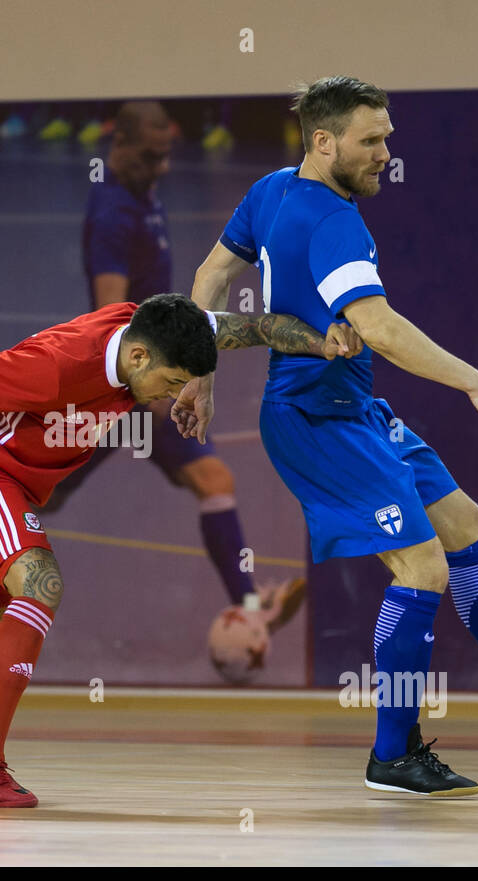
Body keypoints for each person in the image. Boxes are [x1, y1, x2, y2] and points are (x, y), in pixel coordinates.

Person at [183, 76, 478, 796]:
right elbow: (380, 328)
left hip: (355, 411)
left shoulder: (270, 191)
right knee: (422, 569)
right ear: (323, 142)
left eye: (387, 135)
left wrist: (201, 372)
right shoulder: (335, 222)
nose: (387, 151)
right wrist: (477, 382)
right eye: (371, 139)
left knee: (468, 526)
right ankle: (395, 752)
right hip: (314, 419)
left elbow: (211, 274)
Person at [0, 293, 360, 806]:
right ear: (139, 354)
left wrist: (323, 341)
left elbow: (257, 326)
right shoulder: (56, 366)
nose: (171, 397)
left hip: (18, 479)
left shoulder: (159, 331)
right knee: (42, 582)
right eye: (170, 383)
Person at [58, 100, 304, 632]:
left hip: (141, 390)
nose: (164, 167)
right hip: (127, 389)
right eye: (152, 157)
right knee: (43, 493)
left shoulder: (143, 193)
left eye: (168, 155)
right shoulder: (113, 215)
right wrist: (152, 388)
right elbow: (108, 317)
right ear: (117, 143)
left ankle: (251, 607)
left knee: (212, 478)